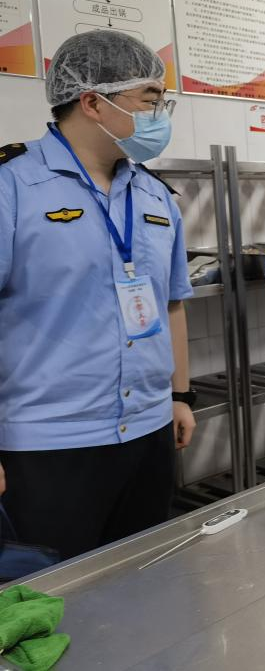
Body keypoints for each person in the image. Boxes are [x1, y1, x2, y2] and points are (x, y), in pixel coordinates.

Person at [0, 30, 195, 560]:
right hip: (48, 443)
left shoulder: (155, 195)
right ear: (92, 102)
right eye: (150, 100)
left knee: (142, 580)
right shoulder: (13, 184)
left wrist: (179, 396)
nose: (159, 115)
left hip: (149, 432)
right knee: (57, 594)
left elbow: (172, 302)